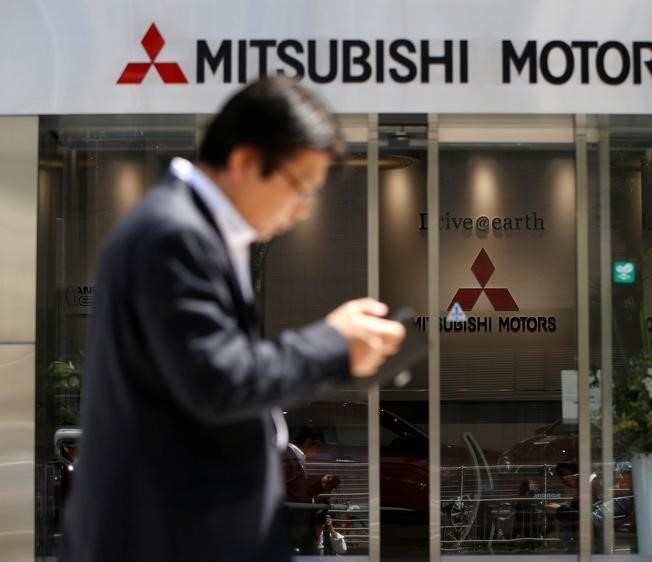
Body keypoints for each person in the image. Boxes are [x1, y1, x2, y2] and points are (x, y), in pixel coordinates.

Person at [60, 77, 405, 562]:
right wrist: (333, 342)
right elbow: (218, 379)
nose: (303, 209)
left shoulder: (196, 233)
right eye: (299, 187)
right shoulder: (174, 235)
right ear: (244, 162)